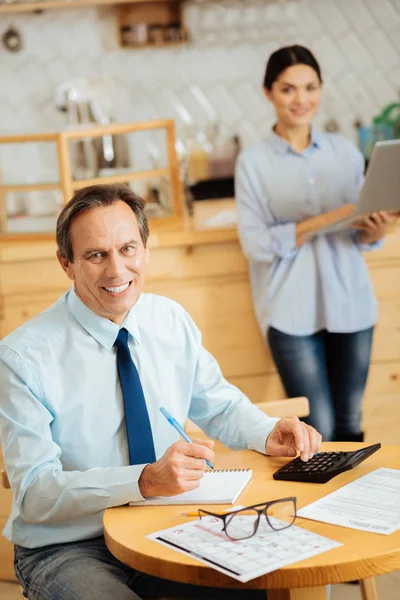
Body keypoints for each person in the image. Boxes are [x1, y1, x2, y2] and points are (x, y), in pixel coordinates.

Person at [0, 183, 321, 600]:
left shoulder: (170, 320)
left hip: (169, 522)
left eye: (128, 248)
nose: (117, 271)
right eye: (96, 255)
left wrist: (265, 431)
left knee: (257, 584)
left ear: (146, 249)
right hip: (70, 546)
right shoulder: (22, 357)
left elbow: (218, 404)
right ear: (67, 263)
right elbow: (35, 493)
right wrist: (146, 480)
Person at [235, 45, 399, 443]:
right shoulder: (254, 163)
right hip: (290, 313)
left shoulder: (344, 152)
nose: (301, 99)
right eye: (288, 89)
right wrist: (333, 215)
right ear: (268, 93)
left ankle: (351, 507)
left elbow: (362, 235)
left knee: (350, 423)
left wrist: (377, 227)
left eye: (310, 88)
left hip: (351, 303)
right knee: (318, 430)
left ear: (321, 90)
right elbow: (256, 245)